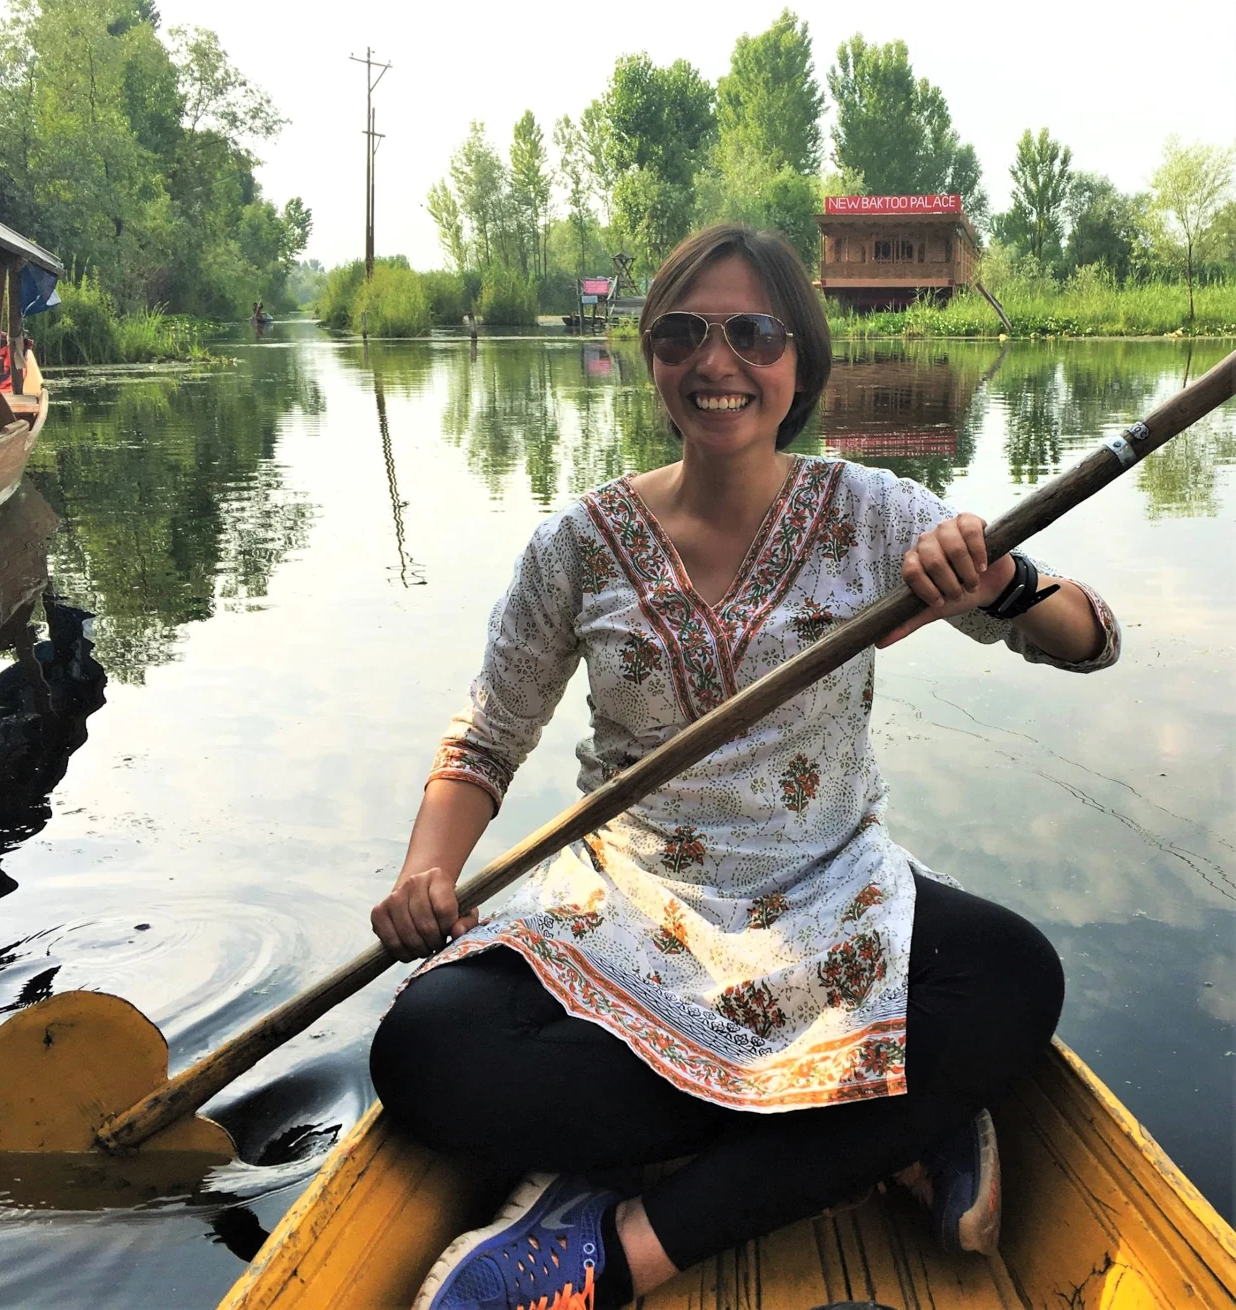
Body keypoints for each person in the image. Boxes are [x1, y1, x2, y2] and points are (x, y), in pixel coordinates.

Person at [369, 224, 1119, 1310]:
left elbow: (1089, 639)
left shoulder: (871, 515)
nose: (715, 362)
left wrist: (1001, 582)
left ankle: (615, 1248)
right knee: (429, 1052)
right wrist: (424, 871)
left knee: (1012, 979)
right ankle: (888, 1110)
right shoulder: (575, 544)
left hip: (828, 900)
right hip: (630, 908)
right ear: (652, 357)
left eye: (752, 333)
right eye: (683, 333)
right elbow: (485, 738)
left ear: (798, 363)